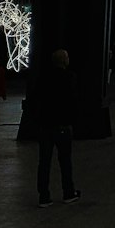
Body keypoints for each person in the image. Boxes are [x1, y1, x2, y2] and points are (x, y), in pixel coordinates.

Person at [35, 49, 80, 206]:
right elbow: (73, 101)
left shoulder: (44, 78)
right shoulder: (70, 77)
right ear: (64, 60)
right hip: (62, 125)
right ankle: (68, 192)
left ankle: (44, 196)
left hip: (45, 124)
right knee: (65, 161)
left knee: (44, 162)